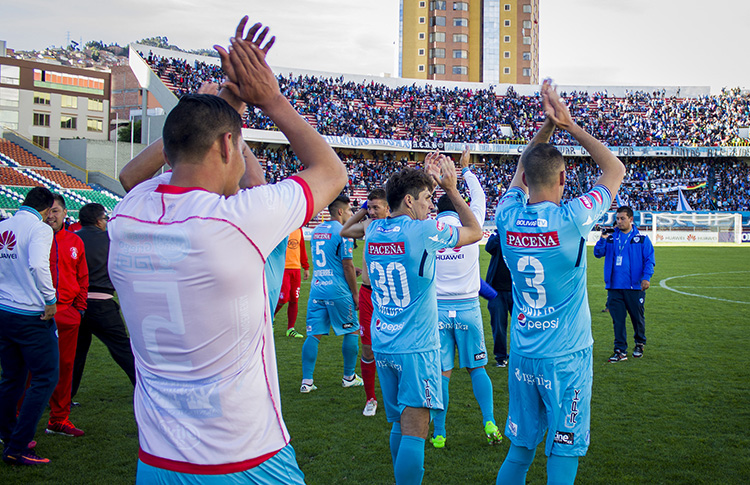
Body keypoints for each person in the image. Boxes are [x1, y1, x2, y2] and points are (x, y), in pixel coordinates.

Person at [109, 18, 347, 483]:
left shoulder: (127, 216)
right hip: (244, 457)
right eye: (239, 145)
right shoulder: (235, 221)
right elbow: (331, 172)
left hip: (158, 460)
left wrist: (223, 104)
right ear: (226, 144)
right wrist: (269, 98)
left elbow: (133, 176)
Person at [494, 80, 625, 485]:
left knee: (520, 450)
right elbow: (615, 170)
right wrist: (568, 125)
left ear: (527, 178)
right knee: (563, 450)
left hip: (524, 353)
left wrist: (546, 130)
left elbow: (521, 167)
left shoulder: (507, 214)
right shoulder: (572, 219)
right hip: (566, 356)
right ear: (564, 176)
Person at [365, 154, 482, 484]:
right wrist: (451, 189)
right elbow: (474, 231)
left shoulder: (373, 230)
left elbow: (384, 206)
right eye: (428, 199)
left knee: (398, 424)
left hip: (384, 341)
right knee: (416, 429)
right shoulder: (424, 231)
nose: (432, 205)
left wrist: (425, 182)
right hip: (416, 346)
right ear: (408, 200)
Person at [431, 148, 502, 448]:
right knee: (478, 369)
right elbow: (480, 197)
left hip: (438, 310)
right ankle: (489, 420)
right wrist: (466, 170)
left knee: (443, 374)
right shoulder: (471, 226)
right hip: (468, 307)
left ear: (436, 209)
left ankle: (439, 433)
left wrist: (431, 179)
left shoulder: (428, 230)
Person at [0, 187, 58, 465]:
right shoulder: (40, 228)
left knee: (12, 377)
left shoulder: (5, 225)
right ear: (47, 209)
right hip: (30, 314)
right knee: (45, 376)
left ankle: (9, 434)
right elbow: (38, 265)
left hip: (4, 311)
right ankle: (18, 446)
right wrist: (51, 299)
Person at [71, 203, 136, 400]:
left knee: (76, 354)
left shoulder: (73, 239)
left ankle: (64, 398)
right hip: (102, 303)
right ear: (99, 221)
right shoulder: (110, 240)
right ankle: (144, 386)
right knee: (123, 349)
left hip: (76, 304)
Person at [300, 195, 362, 393]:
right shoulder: (344, 232)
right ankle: (349, 377)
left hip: (317, 288)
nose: (351, 215)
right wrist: (355, 293)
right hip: (338, 290)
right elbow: (346, 263)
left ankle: (307, 382)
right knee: (352, 330)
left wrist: (354, 269)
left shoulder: (317, 230)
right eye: (350, 211)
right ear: (341, 212)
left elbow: (331, 260)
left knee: (313, 335)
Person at [340, 188, 390, 416]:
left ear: (389, 207)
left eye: (375, 207)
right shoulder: (368, 226)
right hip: (369, 294)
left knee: (394, 349)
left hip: (390, 295)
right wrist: (362, 211)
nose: (371, 212)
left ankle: (399, 394)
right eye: (368, 207)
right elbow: (345, 230)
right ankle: (371, 398)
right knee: (368, 349)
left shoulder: (399, 225)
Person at [44, 194, 88, 438]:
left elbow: (82, 277)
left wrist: (78, 309)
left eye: (56, 211)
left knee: (65, 366)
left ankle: (59, 419)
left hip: (67, 314)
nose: (51, 215)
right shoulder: (33, 238)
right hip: (37, 314)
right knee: (29, 367)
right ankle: (14, 419)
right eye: (47, 211)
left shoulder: (75, 241)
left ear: (64, 213)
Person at [594, 206, 655, 362]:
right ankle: (620, 350)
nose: (619, 221)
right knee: (618, 320)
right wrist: (602, 238)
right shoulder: (612, 238)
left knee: (637, 318)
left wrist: (646, 277)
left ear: (631, 219)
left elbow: (649, 260)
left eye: (622, 218)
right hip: (614, 287)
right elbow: (598, 253)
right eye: (618, 219)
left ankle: (640, 343)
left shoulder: (642, 239)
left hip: (634, 287)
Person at [275, 227, 310, 338]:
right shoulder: (282, 228)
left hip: (296, 269)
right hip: (283, 269)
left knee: (294, 300)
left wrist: (306, 267)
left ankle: (291, 329)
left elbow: (302, 248)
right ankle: (270, 317)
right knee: (283, 298)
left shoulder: (299, 230)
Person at [485, 230, 513, 367]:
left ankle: (519, 355)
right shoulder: (498, 234)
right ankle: (501, 357)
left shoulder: (520, 234)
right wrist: (501, 232)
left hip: (517, 290)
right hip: (496, 290)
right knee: (498, 326)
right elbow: (489, 247)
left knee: (523, 326)